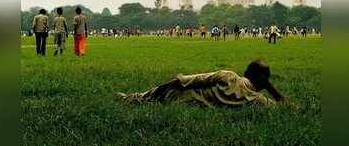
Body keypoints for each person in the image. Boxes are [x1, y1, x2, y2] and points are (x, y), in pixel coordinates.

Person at [117, 59, 286, 107]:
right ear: (263, 81)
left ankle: (133, 98)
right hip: (191, 105)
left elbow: (188, 80)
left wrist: (167, 85)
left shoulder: (228, 76)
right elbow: (288, 108)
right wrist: (271, 88)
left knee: (170, 89)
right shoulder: (257, 100)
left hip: (182, 97)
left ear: (247, 72)